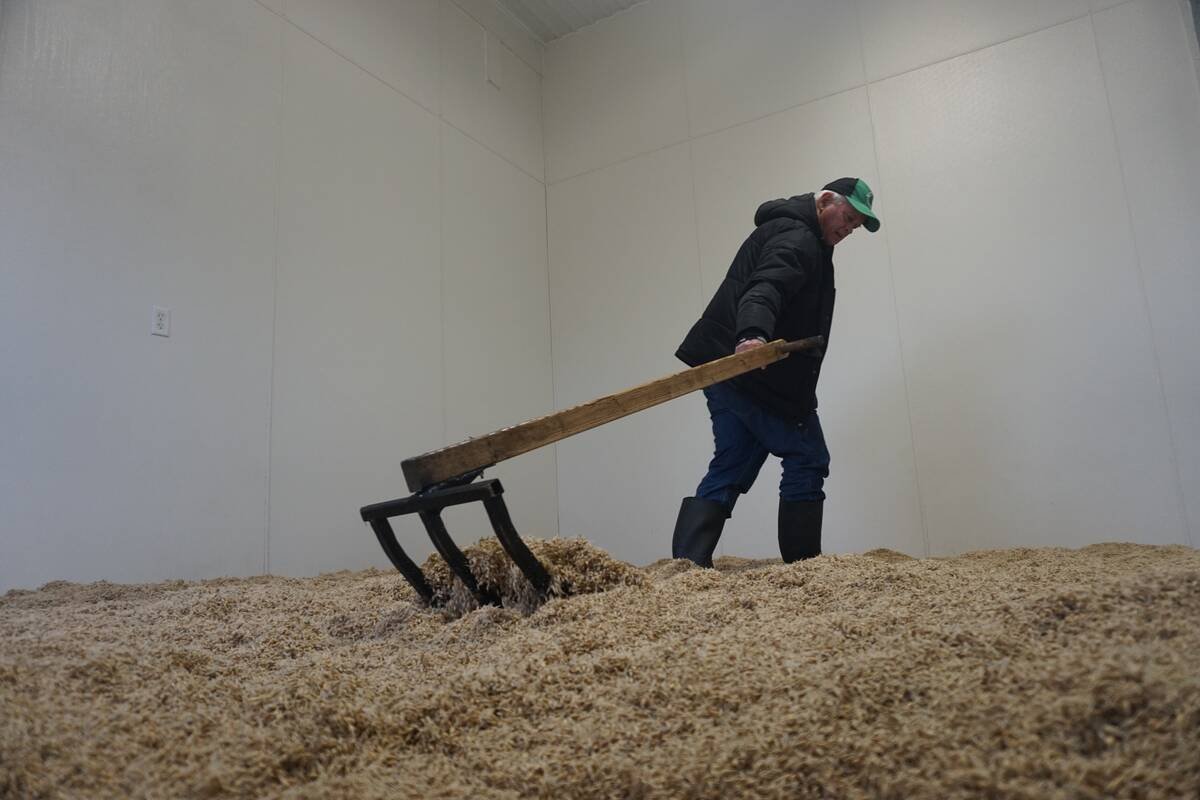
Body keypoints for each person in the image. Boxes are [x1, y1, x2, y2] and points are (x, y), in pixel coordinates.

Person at [671, 177, 881, 566]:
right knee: (808, 456)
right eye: (848, 218)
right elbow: (765, 287)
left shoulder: (797, 231)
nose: (849, 229)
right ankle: (804, 569)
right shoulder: (799, 238)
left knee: (732, 463)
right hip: (756, 376)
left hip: (724, 374)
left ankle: (687, 566)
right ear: (825, 202)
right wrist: (752, 335)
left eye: (855, 226)